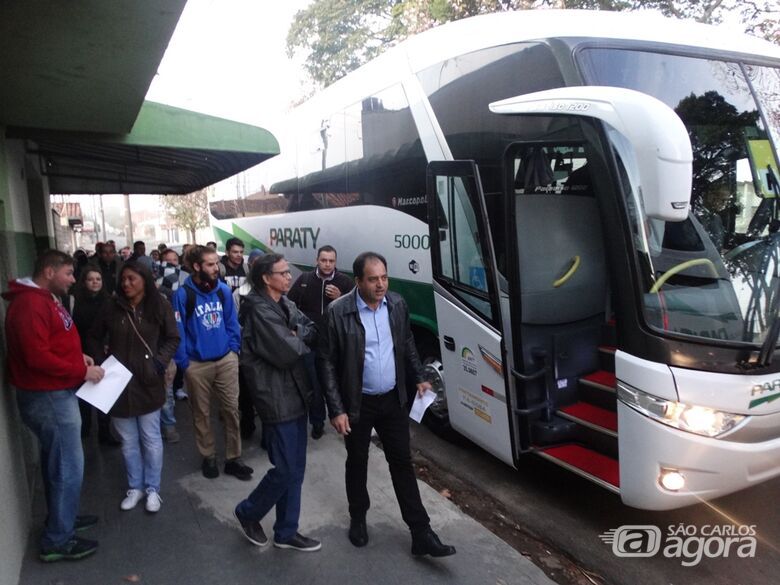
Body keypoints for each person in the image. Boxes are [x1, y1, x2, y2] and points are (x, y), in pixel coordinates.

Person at [318, 251, 456, 557]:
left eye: (384, 277)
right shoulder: (338, 312)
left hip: (393, 400)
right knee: (358, 462)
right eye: (373, 279)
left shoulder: (396, 304)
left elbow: (405, 341)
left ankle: (421, 532)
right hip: (358, 404)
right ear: (357, 281)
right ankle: (358, 518)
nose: (380, 285)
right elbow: (326, 362)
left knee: (402, 464)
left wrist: (419, 376)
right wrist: (337, 409)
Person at [4, 250, 104, 562]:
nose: (73, 280)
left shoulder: (42, 299)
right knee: (67, 468)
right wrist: (81, 371)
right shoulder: (30, 305)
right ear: (49, 271)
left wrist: (77, 358)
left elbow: (52, 344)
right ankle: (57, 540)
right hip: (48, 397)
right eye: (69, 274)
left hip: (54, 393)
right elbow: (37, 357)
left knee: (57, 464)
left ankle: (62, 518)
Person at [234, 253, 320, 552]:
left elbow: (309, 328)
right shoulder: (259, 310)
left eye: (288, 272)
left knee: (295, 468)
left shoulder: (285, 303)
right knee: (285, 468)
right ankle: (248, 512)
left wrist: (297, 334)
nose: (289, 277)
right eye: (282, 273)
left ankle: (286, 531)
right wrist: (296, 337)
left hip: (296, 394)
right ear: (265, 278)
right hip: (275, 398)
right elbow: (288, 352)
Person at [87, 262, 180, 513]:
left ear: (145, 279)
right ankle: (135, 487)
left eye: (132, 279)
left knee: (150, 439)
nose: (126, 284)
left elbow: (173, 338)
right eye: (123, 280)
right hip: (117, 385)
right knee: (128, 441)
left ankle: (152, 489)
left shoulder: (159, 304)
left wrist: (159, 365)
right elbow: (94, 336)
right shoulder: (111, 306)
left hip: (148, 382)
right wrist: (103, 361)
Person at [172, 245, 253, 481]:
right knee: (201, 413)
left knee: (231, 410)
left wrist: (233, 350)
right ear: (196, 267)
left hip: (226, 359)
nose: (216, 268)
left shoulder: (223, 291)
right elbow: (178, 331)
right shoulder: (183, 295)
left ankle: (233, 458)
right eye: (209, 264)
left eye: (216, 263)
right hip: (197, 365)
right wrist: (184, 362)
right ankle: (208, 456)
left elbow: (231, 322)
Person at [287, 245, 353, 439]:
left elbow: (356, 309)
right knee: (315, 386)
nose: (327, 264)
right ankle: (317, 422)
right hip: (311, 344)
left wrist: (340, 297)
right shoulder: (305, 280)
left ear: (336, 262)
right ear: (317, 260)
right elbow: (290, 306)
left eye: (331, 261)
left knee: (341, 383)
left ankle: (344, 417)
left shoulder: (345, 282)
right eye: (323, 260)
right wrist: (296, 330)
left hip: (337, 343)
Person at [68, 267, 118, 445]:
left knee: (104, 395)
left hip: (103, 352)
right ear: (84, 282)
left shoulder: (110, 302)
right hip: (81, 352)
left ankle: (104, 432)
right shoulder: (74, 301)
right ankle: (85, 427)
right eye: (91, 279)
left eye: (98, 279)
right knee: (84, 393)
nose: (95, 282)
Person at [232, 248, 266, 439]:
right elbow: (234, 321)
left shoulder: (271, 290)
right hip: (247, 352)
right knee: (245, 392)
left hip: (267, 351)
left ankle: (267, 435)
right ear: (251, 265)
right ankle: (247, 426)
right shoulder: (240, 293)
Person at [157, 247, 189, 402]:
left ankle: (178, 387)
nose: (171, 264)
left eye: (174, 261)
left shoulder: (186, 278)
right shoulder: (155, 279)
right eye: (168, 261)